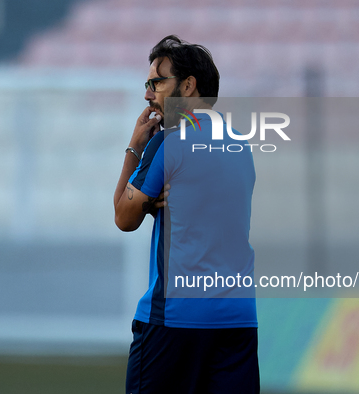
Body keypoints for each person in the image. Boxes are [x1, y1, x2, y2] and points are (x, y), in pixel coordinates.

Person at [113, 35, 259, 394]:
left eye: (157, 82)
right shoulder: (241, 143)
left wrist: (135, 146)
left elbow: (123, 217)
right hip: (238, 321)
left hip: (175, 321)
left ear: (188, 85)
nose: (148, 94)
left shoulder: (168, 141)